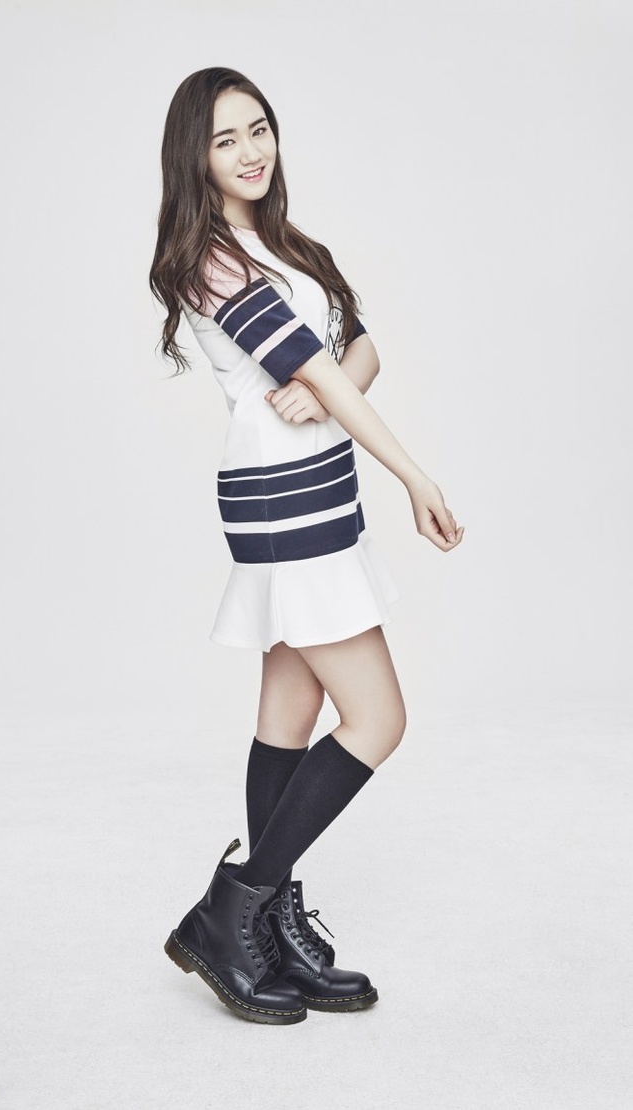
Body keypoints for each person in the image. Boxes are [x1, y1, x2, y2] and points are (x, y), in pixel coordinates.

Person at [150, 67, 464, 1026]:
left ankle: (269, 924)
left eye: (260, 129)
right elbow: (328, 368)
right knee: (379, 718)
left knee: (291, 711)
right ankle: (232, 913)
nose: (250, 151)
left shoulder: (287, 247)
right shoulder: (210, 259)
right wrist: (414, 474)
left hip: (317, 486)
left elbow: (359, 350)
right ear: (194, 158)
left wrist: (317, 386)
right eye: (225, 140)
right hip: (282, 497)